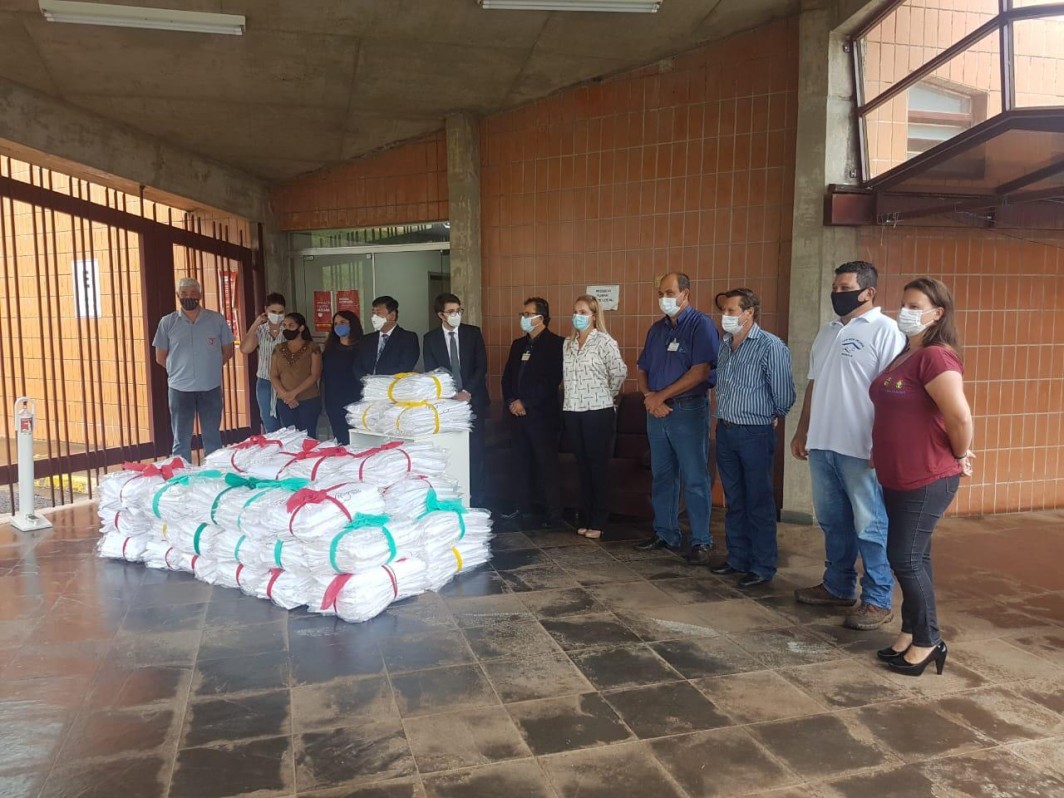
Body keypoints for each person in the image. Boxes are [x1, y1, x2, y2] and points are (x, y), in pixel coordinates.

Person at [790, 261, 906, 631]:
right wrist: (802, 431)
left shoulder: (887, 331)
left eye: (845, 288)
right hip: (823, 443)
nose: (838, 294)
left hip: (861, 447)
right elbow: (814, 384)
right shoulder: (827, 331)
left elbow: (893, 394)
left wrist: (882, 443)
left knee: (870, 524)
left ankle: (878, 598)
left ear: (868, 292)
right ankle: (838, 586)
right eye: (835, 288)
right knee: (833, 521)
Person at [870, 278, 973, 676]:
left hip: (926, 476)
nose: (905, 312)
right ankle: (911, 632)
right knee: (917, 556)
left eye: (915, 306)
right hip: (896, 474)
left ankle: (929, 641)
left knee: (904, 557)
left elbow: (959, 417)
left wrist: (960, 454)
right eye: (903, 304)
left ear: (937, 313)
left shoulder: (936, 357)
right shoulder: (906, 353)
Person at [710, 288, 795, 587]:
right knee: (735, 499)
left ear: (749, 312)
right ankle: (737, 558)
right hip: (726, 429)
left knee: (758, 501)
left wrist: (771, 413)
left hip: (754, 432)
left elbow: (784, 394)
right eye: (724, 310)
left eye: (732, 311)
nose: (726, 316)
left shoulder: (770, 346)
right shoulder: (724, 344)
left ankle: (762, 565)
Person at [635, 272, 720, 562]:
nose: (664, 299)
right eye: (661, 294)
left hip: (687, 410)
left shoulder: (700, 325)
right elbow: (642, 368)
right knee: (662, 475)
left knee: (694, 477)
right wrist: (650, 396)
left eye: (670, 293)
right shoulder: (657, 329)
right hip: (656, 412)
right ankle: (665, 532)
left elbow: (700, 371)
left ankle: (701, 540)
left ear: (686, 294)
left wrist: (661, 396)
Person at [562, 294, 627, 539]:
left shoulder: (604, 341)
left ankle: (599, 521)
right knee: (582, 466)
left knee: (597, 465)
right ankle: (586, 516)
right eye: (575, 311)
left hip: (598, 410)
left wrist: (606, 394)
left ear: (593, 315)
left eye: (583, 312)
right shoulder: (568, 343)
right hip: (573, 409)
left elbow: (619, 372)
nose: (577, 316)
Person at [152, 277, 234, 462]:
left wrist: (210, 367)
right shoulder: (167, 322)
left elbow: (228, 351)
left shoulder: (216, 320)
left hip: (210, 387)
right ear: (178, 295)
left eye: (193, 293)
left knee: (212, 437)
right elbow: (160, 357)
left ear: (201, 295)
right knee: (181, 440)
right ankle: (182, 474)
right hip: (180, 389)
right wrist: (178, 370)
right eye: (184, 294)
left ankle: (213, 472)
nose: (189, 297)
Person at [501, 297, 565, 528]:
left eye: (528, 314)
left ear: (541, 318)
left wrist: (526, 402)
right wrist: (512, 401)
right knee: (520, 463)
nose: (524, 318)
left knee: (546, 465)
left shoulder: (556, 344)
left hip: (541, 416)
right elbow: (507, 377)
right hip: (517, 415)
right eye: (523, 314)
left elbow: (551, 381)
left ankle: (553, 514)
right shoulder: (518, 344)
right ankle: (523, 507)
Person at [423, 293, 490, 506]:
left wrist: (467, 391)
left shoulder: (473, 333)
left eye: (459, 310)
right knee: (451, 450)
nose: (456, 315)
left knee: (475, 451)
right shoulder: (430, 338)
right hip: (447, 404)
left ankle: (477, 500)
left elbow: (481, 366)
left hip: (473, 400)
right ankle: (455, 497)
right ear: (440, 315)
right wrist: (451, 394)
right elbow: (432, 371)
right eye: (451, 311)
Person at [239, 292, 286, 433]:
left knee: (286, 423)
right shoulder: (260, 330)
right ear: (266, 310)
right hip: (265, 382)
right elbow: (245, 349)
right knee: (269, 423)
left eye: (280, 312)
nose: (277, 315)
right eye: (273, 311)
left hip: (285, 381)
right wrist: (256, 323)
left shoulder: (288, 329)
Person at [270, 312, 323, 437]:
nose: (287, 329)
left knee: (308, 437)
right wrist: (285, 395)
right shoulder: (278, 348)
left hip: (308, 400)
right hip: (284, 401)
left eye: (291, 325)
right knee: (289, 438)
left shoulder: (312, 347)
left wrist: (293, 393)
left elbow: (315, 374)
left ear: (301, 328)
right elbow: (273, 375)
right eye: (284, 325)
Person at [322, 310, 363, 445]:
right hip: (334, 400)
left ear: (352, 324)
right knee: (340, 438)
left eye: (343, 322)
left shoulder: (363, 346)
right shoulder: (330, 348)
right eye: (336, 324)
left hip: (357, 398)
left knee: (358, 438)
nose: (339, 326)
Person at [355, 295, 420, 379]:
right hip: (367, 385)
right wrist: (366, 380)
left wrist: (378, 380)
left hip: (393, 385)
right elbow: (357, 365)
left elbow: (405, 366)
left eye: (378, 313)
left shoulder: (408, 338)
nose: (374, 317)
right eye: (373, 313)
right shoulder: (366, 339)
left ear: (392, 315)